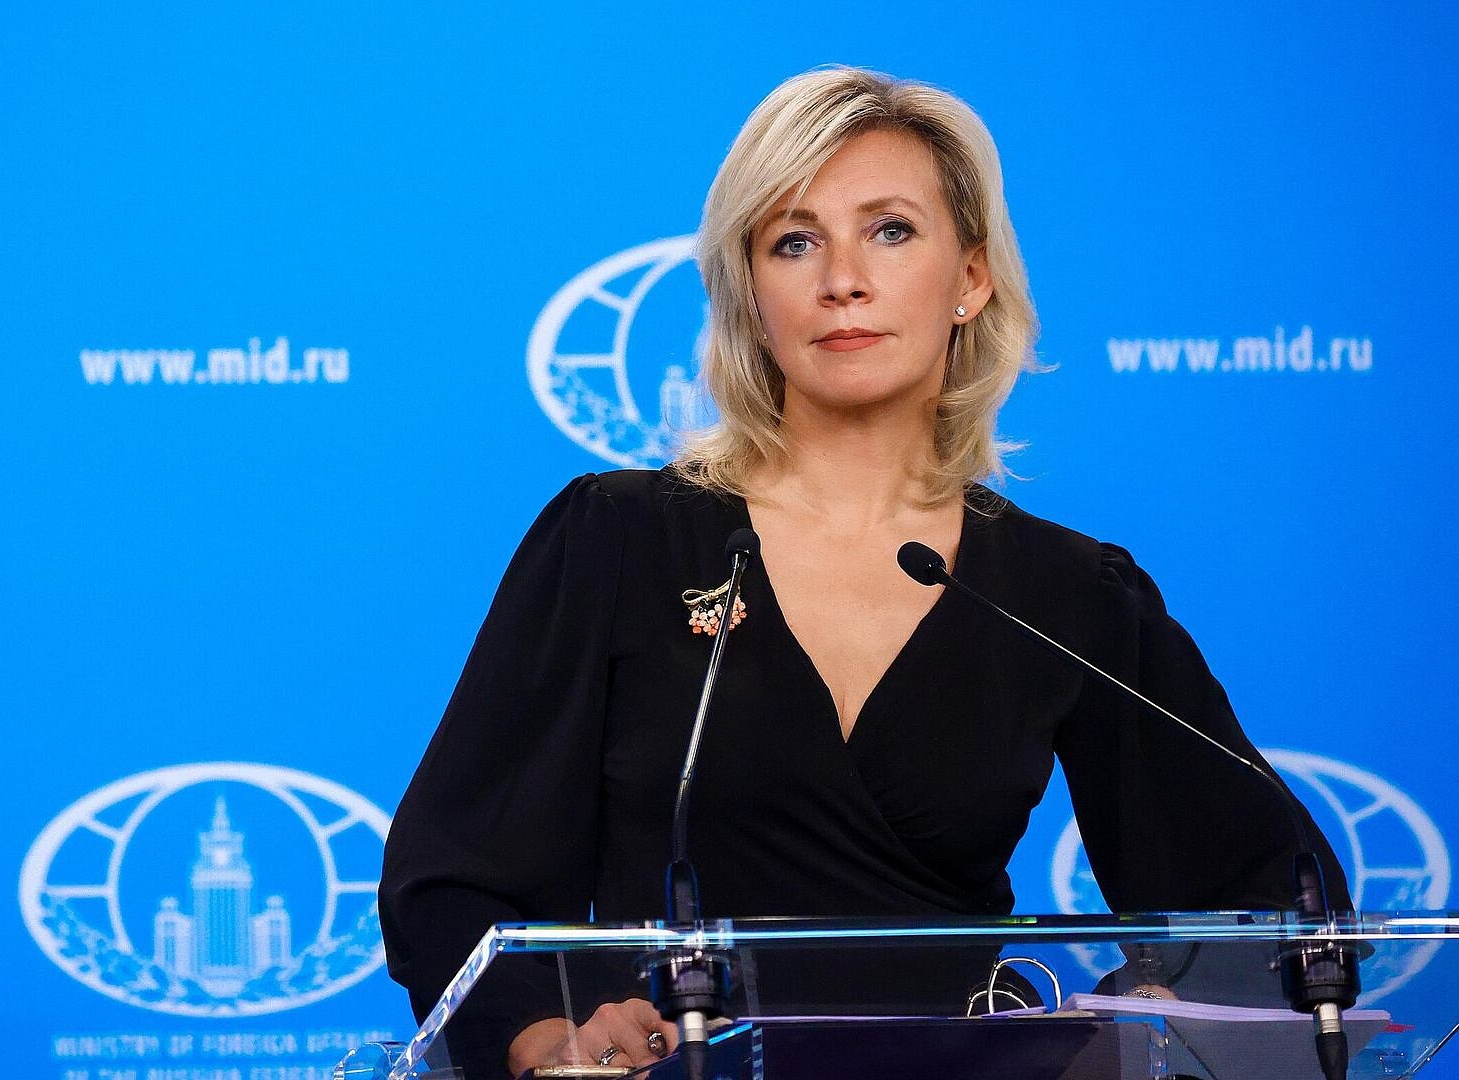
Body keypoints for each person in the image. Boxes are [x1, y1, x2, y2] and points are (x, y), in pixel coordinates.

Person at [379, 66, 1347, 1079]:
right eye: (794, 242)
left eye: (890, 231)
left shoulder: (1065, 591)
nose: (842, 278)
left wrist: (1158, 1013)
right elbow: (452, 874)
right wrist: (547, 1038)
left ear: (971, 278)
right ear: (752, 295)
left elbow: (1282, 903)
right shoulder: (617, 539)